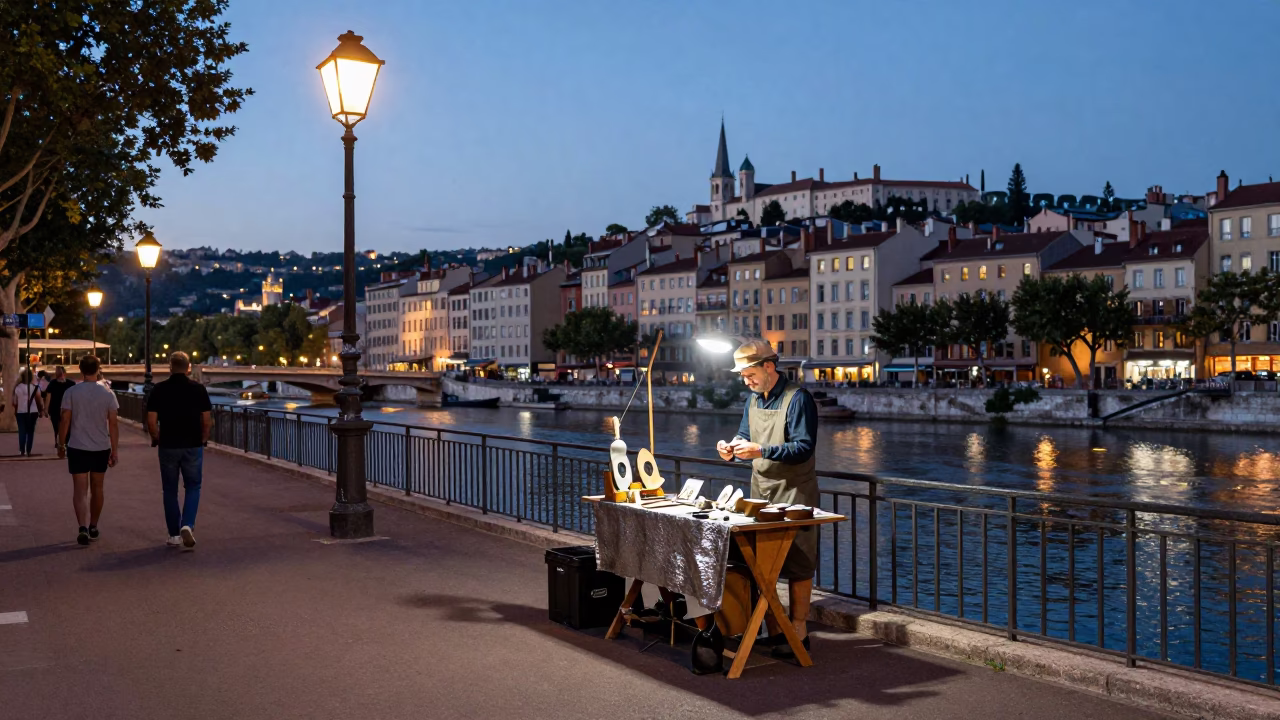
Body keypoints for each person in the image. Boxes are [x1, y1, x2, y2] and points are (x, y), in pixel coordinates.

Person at [716, 339, 819, 659]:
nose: (746, 381)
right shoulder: (753, 399)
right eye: (743, 376)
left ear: (769, 367)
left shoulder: (798, 399)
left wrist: (761, 450)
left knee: (799, 562)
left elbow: (804, 447)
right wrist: (731, 448)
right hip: (761, 490)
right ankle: (775, 629)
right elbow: (745, 435)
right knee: (762, 563)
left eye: (749, 375)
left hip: (795, 490)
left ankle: (799, 630)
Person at [145, 351, 211, 551]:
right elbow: (206, 420)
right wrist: (203, 438)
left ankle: (174, 535)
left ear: (170, 367)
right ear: (188, 368)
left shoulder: (159, 389)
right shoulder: (198, 389)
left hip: (168, 445)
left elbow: (151, 421)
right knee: (193, 486)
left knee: (169, 490)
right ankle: (187, 524)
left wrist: (156, 437)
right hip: (192, 444)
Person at [58, 355, 119, 546]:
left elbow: (65, 420)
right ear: (98, 369)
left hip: (77, 446)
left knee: (80, 490)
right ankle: (93, 525)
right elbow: (113, 424)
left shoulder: (71, 392)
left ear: (81, 369)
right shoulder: (108, 394)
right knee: (98, 487)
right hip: (101, 446)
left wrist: (61, 444)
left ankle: (82, 527)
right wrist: (114, 450)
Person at [11, 367, 45, 456]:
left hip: (20, 412)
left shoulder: (17, 387)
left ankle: (22, 450)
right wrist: (41, 410)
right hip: (33, 412)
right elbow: (38, 401)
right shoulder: (34, 388)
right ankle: (28, 450)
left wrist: (16, 410)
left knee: (22, 431)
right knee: (30, 431)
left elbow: (14, 402)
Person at [42, 366, 76, 449]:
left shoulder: (70, 383)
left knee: (63, 426)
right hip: (58, 409)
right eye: (59, 374)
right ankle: (61, 442)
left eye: (61, 374)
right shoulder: (55, 383)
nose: (61, 376)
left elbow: (48, 397)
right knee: (59, 426)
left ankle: (63, 442)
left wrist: (46, 409)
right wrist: (46, 409)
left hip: (62, 408)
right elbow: (48, 397)